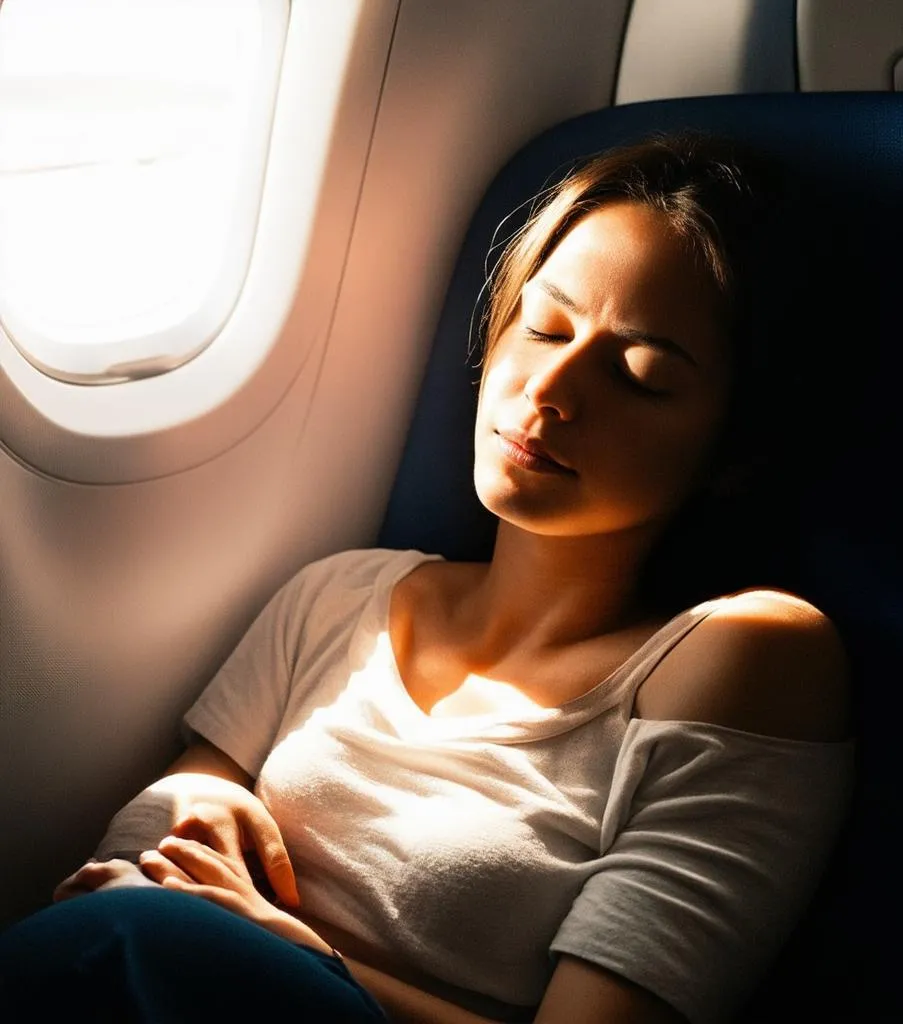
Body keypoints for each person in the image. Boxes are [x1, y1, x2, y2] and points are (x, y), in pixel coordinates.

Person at [0, 133, 854, 1024]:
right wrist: (205, 802)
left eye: (638, 376)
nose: (549, 387)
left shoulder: (746, 654)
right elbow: (132, 859)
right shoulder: (340, 596)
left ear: (736, 447)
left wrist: (293, 952)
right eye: (544, 326)